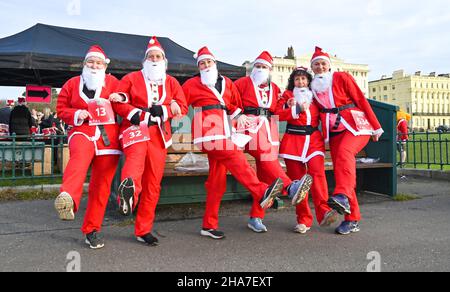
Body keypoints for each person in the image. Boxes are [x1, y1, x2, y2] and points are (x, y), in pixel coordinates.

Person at [182, 46, 284, 240]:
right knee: (234, 155)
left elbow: (234, 105)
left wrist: (241, 116)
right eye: (201, 63)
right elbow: (178, 101)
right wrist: (172, 108)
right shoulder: (191, 84)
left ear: (215, 63)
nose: (205, 65)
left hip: (226, 131)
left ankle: (208, 226)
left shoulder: (228, 83)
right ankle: (261, 191)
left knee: (216, 182)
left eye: (208, 62)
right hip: (206, 131)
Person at [110, 36, 188, 246]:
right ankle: (128, 195)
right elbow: (117, 100)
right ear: (145, 60)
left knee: (153, 183)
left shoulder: (171, 82)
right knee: (135, 163)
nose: (154, 59)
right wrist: (134, 113)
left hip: (159, 134)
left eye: (158, 56)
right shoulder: (131, 77)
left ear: (164, 60)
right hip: (135, 128)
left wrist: (166, 108)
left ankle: (143, 229)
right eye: (151, 56)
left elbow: (182, 106)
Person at [310, 47, 384, 235]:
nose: (320, 67)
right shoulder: (313, 86)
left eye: (323, 63)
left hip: (356, 126)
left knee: (345, 154)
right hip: (334, 132)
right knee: (343, 170)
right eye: (316, 64)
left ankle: (341, 196)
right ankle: (352, 219)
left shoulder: (342, 77)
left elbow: (361, 99)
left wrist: (376, 126)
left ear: (329, 66)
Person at [54, 45, 122, 249]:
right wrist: (76, 114)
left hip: (108, 139)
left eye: (98, 62)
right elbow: (61, 109)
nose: (94, 65)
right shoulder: (72, 83)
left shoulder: (113, 82)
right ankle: (68, 200)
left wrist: (120, 98)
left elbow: (125, 101)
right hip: (82, 131)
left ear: (104, 65)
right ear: (84, 64)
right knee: (78, 161)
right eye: (90, 62)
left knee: (101, 187)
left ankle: (92, 230)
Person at [234, 52, 310, 233]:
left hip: (269, 131)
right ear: (253, 68)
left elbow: (277, 111)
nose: (260, 70)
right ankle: (290, 186)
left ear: (270, 70)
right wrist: (238, 114)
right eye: (257, 66)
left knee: (265, 176)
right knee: (266, 156)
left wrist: (292, 107)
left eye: (264, 67)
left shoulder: (275, 88)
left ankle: (256, 217)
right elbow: (230, 101)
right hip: (248, 127)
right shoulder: (241, 83)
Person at [277, 67, 338, 234]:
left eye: (304, 79)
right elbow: (277, 114)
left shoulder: (316, 95)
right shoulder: (287, 96)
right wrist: (294, 109)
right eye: (297, 79)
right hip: (293, 142)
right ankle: (303, 219)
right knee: (298, 182)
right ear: (293, 81)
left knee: (317, 174)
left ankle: (324, 211)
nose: (301, 82)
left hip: (314, 141)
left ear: (309, 81)